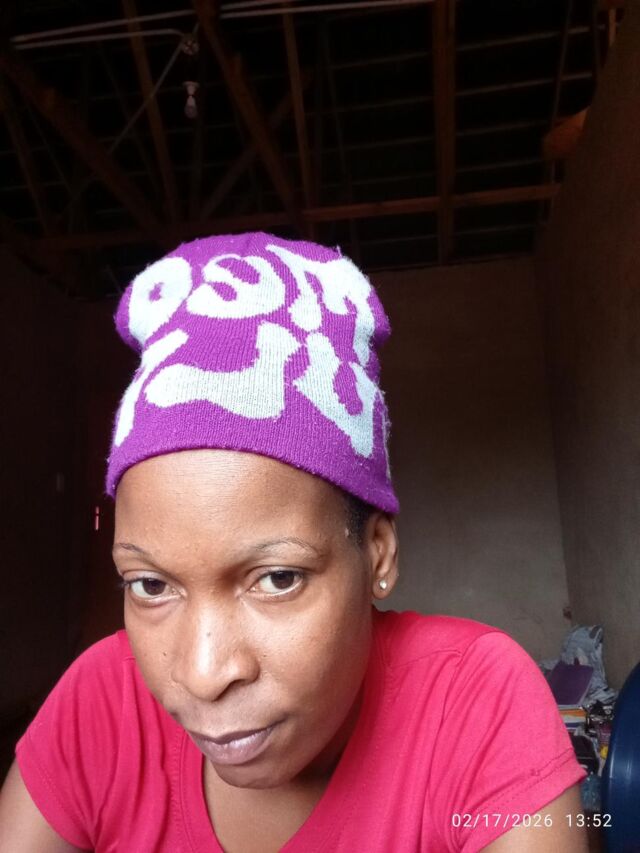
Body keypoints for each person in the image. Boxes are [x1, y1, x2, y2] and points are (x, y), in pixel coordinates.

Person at [0, 233, 588, 852]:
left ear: (378, 552)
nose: (203, 675)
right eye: (150, 585)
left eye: (277, 578)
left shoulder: (474, 703)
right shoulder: (101, 703)